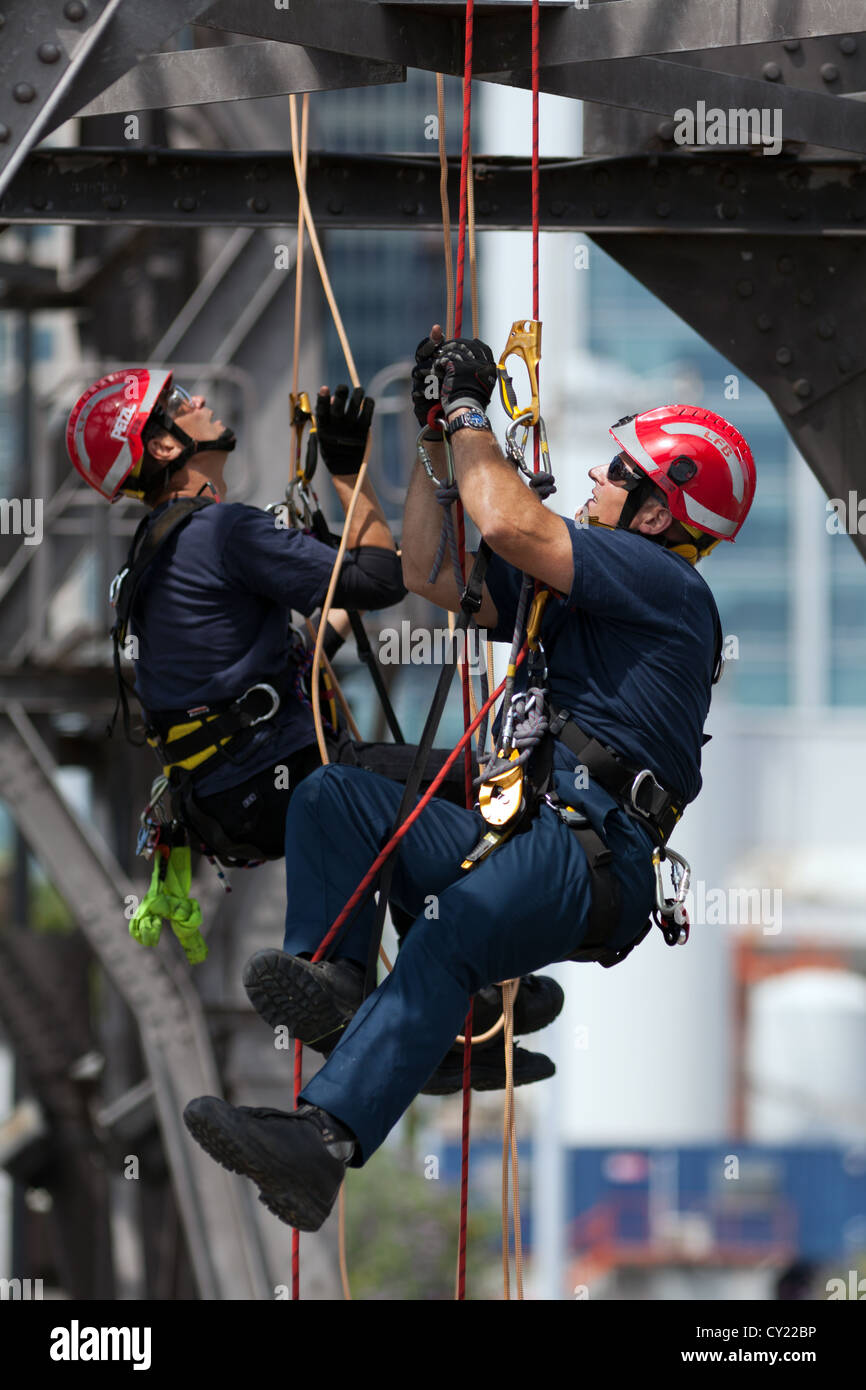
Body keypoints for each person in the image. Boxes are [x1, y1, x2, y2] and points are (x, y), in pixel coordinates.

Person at [182, 327, 756, 1233]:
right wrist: (431, 442)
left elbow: (505, 522)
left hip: (585, 851)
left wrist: (466, 411)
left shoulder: (662, 585)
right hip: (530, 833)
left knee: (456, 932)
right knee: (336, 796)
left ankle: (348, 1107)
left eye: (617, 474)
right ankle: (335, 1004)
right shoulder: (594, 593)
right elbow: (431, 572)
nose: (599, 481)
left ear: (656, 512)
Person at [66, 367, 563, 1094]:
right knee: (476, 789)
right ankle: (405, 985)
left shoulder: (155, 552)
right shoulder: (222, 529)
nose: (199, 401)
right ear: (166, 447)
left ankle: (453, 1017)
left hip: (232, 797)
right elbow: (377, 580)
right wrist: (349, 470)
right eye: (179, 406)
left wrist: (317, 592)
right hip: (282, 778)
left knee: (404, 802)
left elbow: (287, 648)